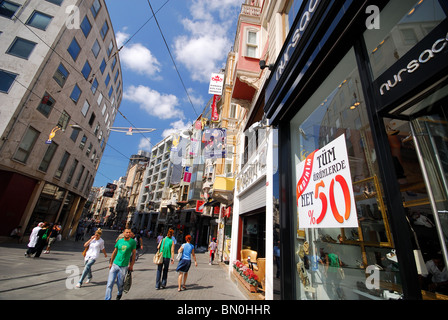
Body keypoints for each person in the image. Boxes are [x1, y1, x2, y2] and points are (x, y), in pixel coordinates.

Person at [105, 228, 136, 300]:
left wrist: (131, 265)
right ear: (124, 233)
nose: (128, 234)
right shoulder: (119, 241)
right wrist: (111, 263)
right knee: (110, 283)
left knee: (120, 284)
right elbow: (114, 252)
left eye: (129, 232)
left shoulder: (132, 242)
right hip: (115, 264)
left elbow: (134, 254)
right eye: (127, 232)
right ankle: (107, 298)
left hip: (124, 266)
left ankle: (119, 292)